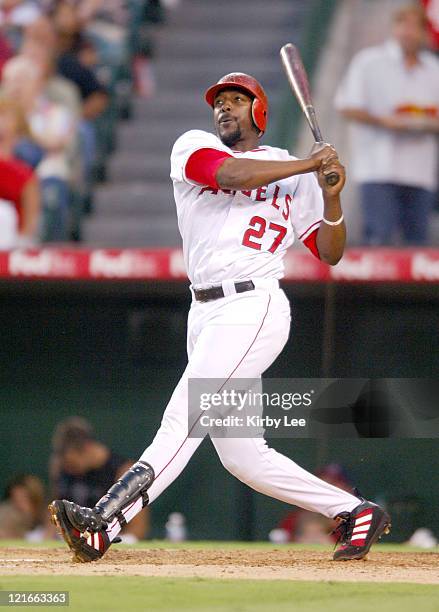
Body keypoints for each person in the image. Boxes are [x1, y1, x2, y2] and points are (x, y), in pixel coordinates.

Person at [49, 72, 391, 563]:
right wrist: (309, 162)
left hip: (254, 305)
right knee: (243, 455)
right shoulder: (192, 147)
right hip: (204, 310)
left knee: (184, 416)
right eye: (220, 101)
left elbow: (329, 250)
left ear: (260, 112)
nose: (225, 108)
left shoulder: (291, 170)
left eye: (237, 99)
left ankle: (104, 521)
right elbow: (231, 175)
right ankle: (354, 511)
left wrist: (331, 194)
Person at [335, 4, 439, 246]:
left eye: (415, 27)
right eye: (404, 26)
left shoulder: (434, 70)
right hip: (379, 167)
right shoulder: (369, 62)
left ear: (424, 32)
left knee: (417, 247)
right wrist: (383, 120)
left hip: (420, 171)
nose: (409, 33)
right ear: (394, 28)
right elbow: (347, 105)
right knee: (379, 242)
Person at [50, 417, 148, 543]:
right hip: (73, 542)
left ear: (87, 447)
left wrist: (101, 542)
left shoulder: (123, 472)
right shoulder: (62, 468)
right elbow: (54, 518)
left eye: (72, 464)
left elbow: (138, 529)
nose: (68, 470)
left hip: (113, 543)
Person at [0, 474, 46, 539]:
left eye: (23, 499)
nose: (18, 506)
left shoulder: (51, 530)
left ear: (36, 502)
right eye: (14, 500)